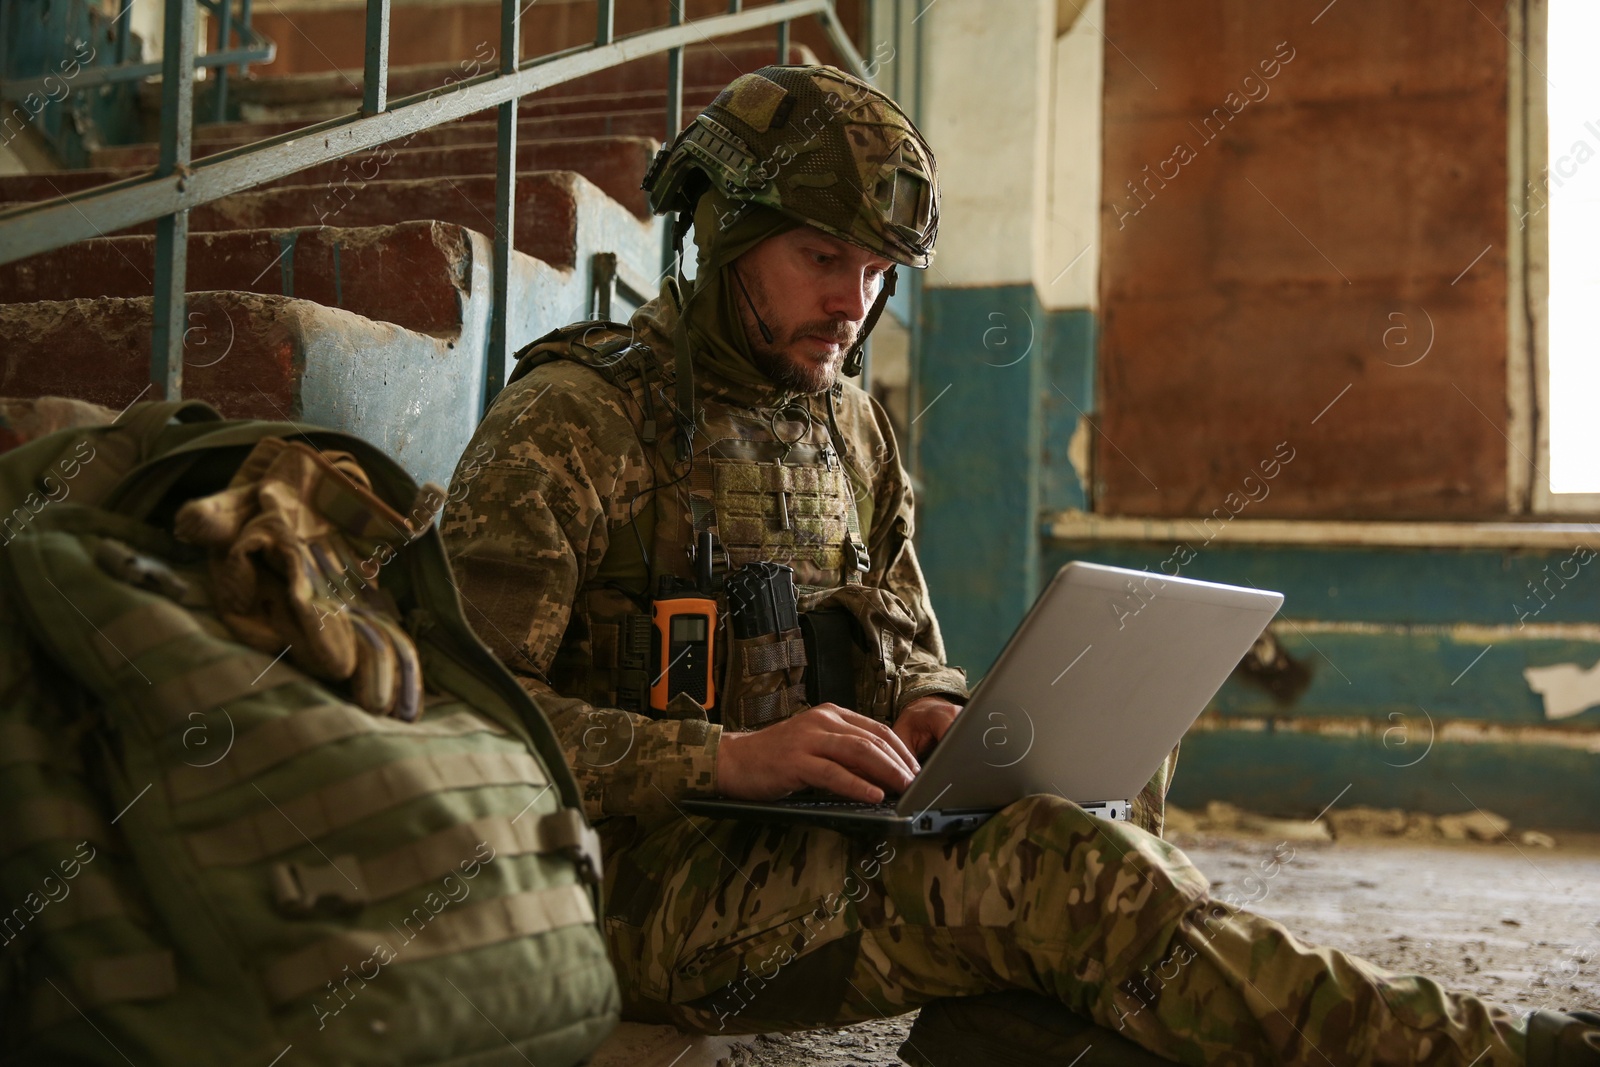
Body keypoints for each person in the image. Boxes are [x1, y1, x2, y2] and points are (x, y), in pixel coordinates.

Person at [440, 64, 1600, 1066]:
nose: (852, 302)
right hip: (631, 886)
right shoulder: (575, 422)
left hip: (815, 830)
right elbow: (460, 735)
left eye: (880, 268)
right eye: (819, 257)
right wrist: (724, 754)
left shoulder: (847, 424)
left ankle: (1025, 1028)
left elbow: (902, 641)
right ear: (727, 238)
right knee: (1052, 868)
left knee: (1099, 772)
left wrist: (935, 705)